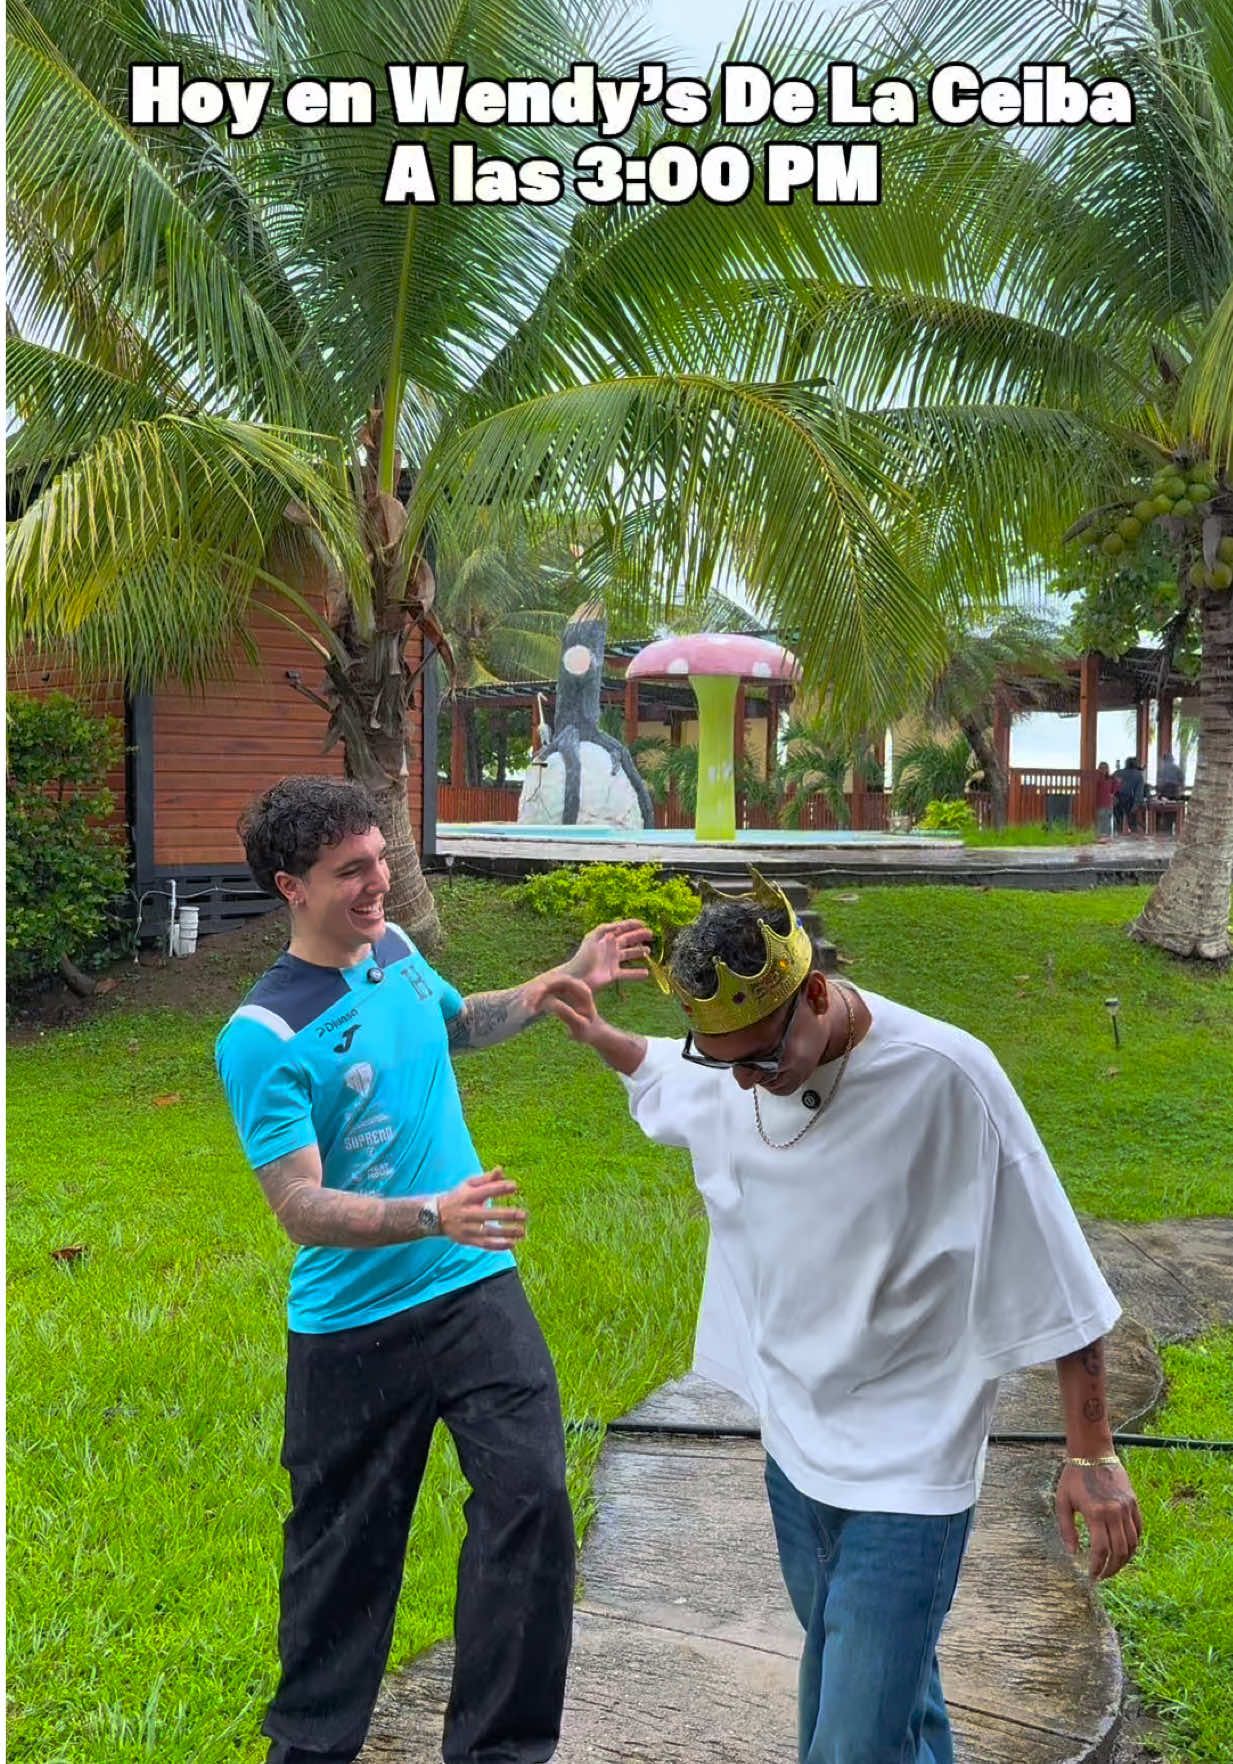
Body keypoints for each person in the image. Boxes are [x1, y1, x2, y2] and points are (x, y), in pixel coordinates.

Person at [546, 871, 1142, 1764]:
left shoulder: (947, 1076)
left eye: (763, 1058)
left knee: (850, 1738)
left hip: (910, 1464)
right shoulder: (737, 1066)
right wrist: (602, 1037)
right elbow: (676, 1077)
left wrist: (1091, 1454)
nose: (748, 1081)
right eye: (729, 1062)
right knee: (898, 1703)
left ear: (815, 994)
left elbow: (1059, 1269)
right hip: (793, 1446)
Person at [215, 775, 652, 1764]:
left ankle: (500, 1751)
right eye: (350, 873)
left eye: (381, 861)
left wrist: (554, 980)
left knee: (532, 1501)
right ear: (291, 886)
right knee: (344, 1563)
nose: (378, 886)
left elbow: (457, 1024)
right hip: (351, 1332)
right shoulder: (263, 1036)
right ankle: (313, 1751)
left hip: (471, 1290)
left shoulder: (398, 954)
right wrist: (429, 1214)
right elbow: (299, 1209)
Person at [1114, 754, 1145, 834]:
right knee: (1133, 826)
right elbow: (1139, 793)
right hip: (1130, 800)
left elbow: (1111, 787)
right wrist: (1136, 805)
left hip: (1117, 800)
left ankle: (1119, 835)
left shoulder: (1117, 772)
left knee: (1119, 825)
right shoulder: (1138, 775)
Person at [1094, 760, 1116, 839]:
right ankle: (1099, 836)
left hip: (1108, 803)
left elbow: (1114, 790)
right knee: (1100, 819)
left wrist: (1117, 783)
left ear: (1107, 769)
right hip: (1100, 802)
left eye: (1105, 768)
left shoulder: (1110, 779)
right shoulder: (1097, 778)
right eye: (1101, 768)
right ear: (1098, 768)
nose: (1103, 769)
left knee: (1107, 819)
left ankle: (1106, 836)